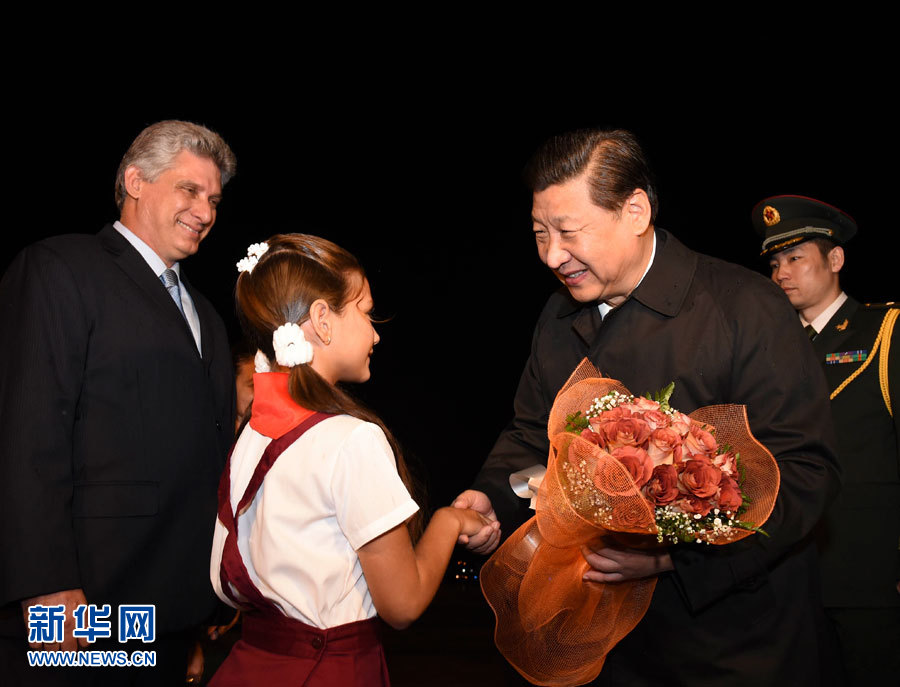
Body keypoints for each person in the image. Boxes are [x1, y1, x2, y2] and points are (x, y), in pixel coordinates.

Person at [453, 129, 841, 686]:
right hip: (600, 641)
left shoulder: (744, 308)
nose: (552, 255)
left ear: (635, 211)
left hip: (729, 645)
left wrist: (674, 559)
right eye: (540, 235)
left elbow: (805, 473)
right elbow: (533, 432)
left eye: (568, 232)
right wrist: (492, 497)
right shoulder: (557, 318)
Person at [0, 120, 237, 685]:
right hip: (81, 606)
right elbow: (29, 432)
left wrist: (194, 617)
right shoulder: (60, 268)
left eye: (213, 200)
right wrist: (47, 583)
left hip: (170, 613)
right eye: (189, 190)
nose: (204, 211)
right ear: (135, 181)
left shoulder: (205, 313)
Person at [209, 234, 493, 686]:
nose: (376, 333)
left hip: (251, 665)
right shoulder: (350, 440)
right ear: (322, 320)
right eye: (366, 312)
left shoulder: (253, 432)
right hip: (328, 672)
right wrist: (450, 521)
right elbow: (402, 605)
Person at [754, 194, 899, 685]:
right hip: (787, 575)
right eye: (775, 263)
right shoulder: (769, 348)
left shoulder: (884, 331)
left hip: (869, 571)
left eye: (795, 258)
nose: (781, 273)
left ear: (835, 259)